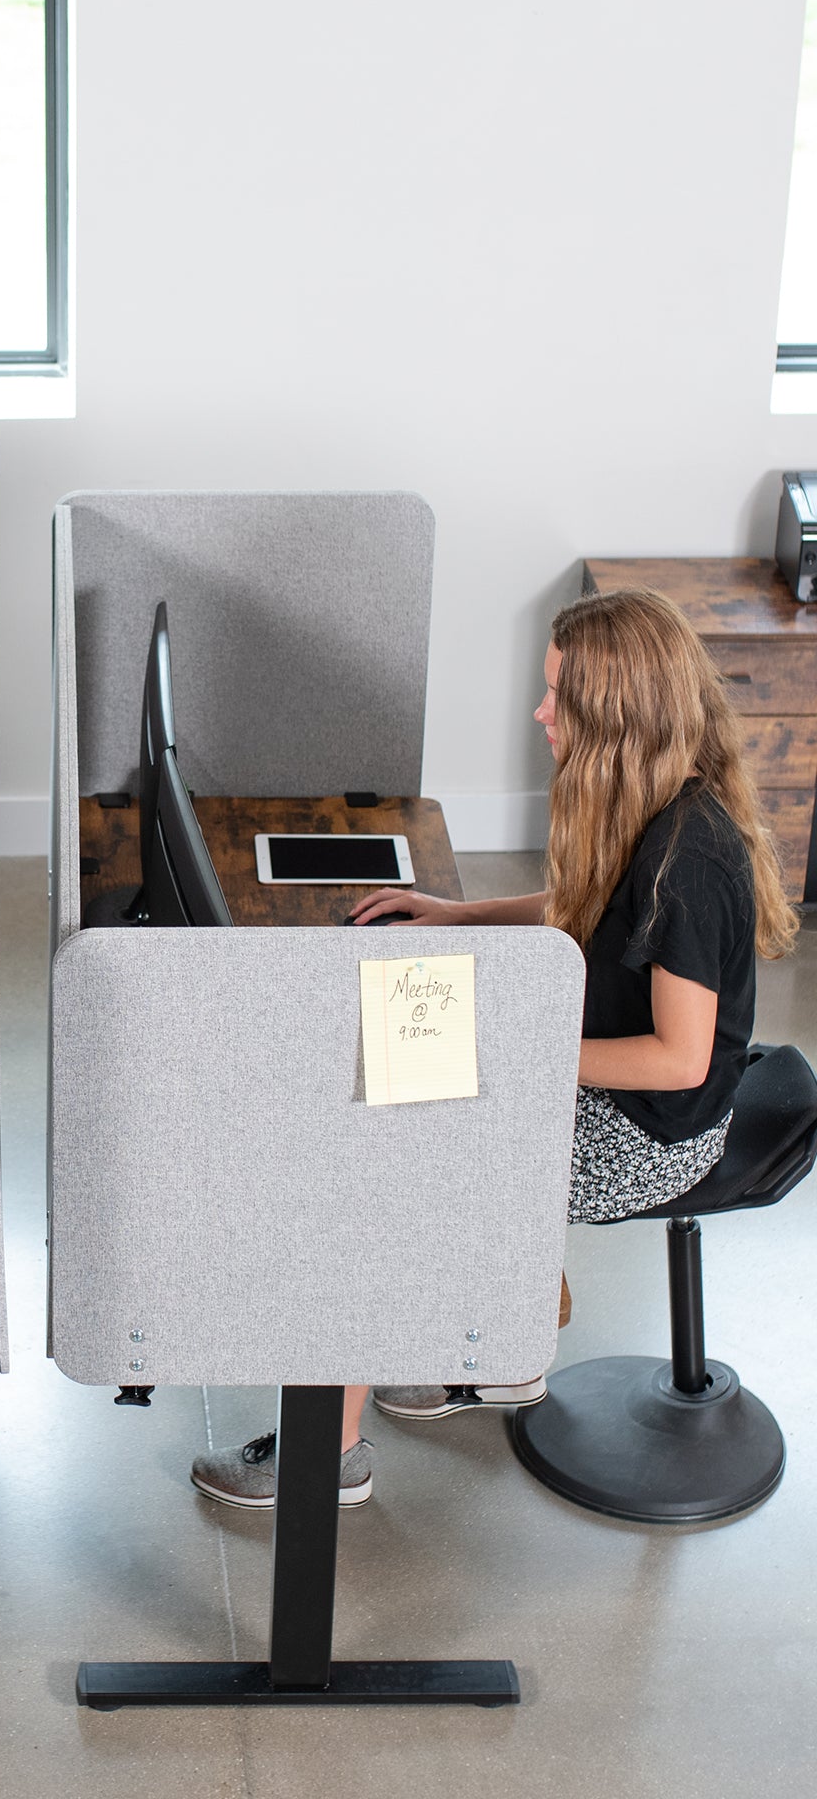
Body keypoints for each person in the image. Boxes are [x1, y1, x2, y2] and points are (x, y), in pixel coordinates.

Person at [190, 586, 798, 1510]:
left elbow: (680, 1061)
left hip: (654, 1137)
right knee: (390, 1075)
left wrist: (511, 1050)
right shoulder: (645, 799)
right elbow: (588, 908)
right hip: (615, 1092)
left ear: (616, 714)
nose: (541, 712)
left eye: (560, 696)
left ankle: (331, 1454)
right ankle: (463, 1354)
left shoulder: (691, 857)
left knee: (382, 1164)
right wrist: (460, 914)